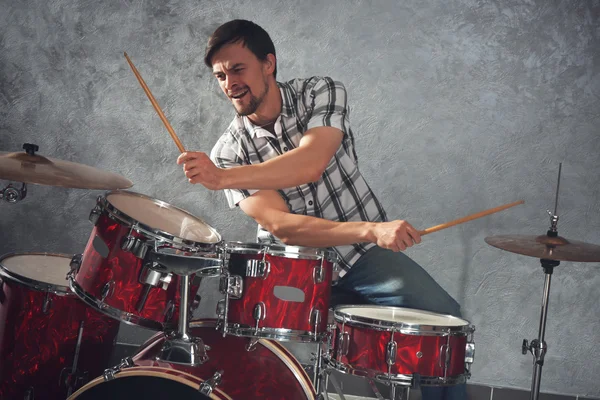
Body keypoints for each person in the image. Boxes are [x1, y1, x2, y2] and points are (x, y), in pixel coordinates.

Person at [177, 19, 466, 400]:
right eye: (219, 76)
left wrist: (221, 180)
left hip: (362, 257)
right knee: (271, 369)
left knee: (443, 325)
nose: (229, 83)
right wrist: (370, 229)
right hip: (291, 273)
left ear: (268, 63)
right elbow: (284, 228)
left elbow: (310, 161)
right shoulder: (228, 153)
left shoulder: (320, 92)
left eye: (237, 69)